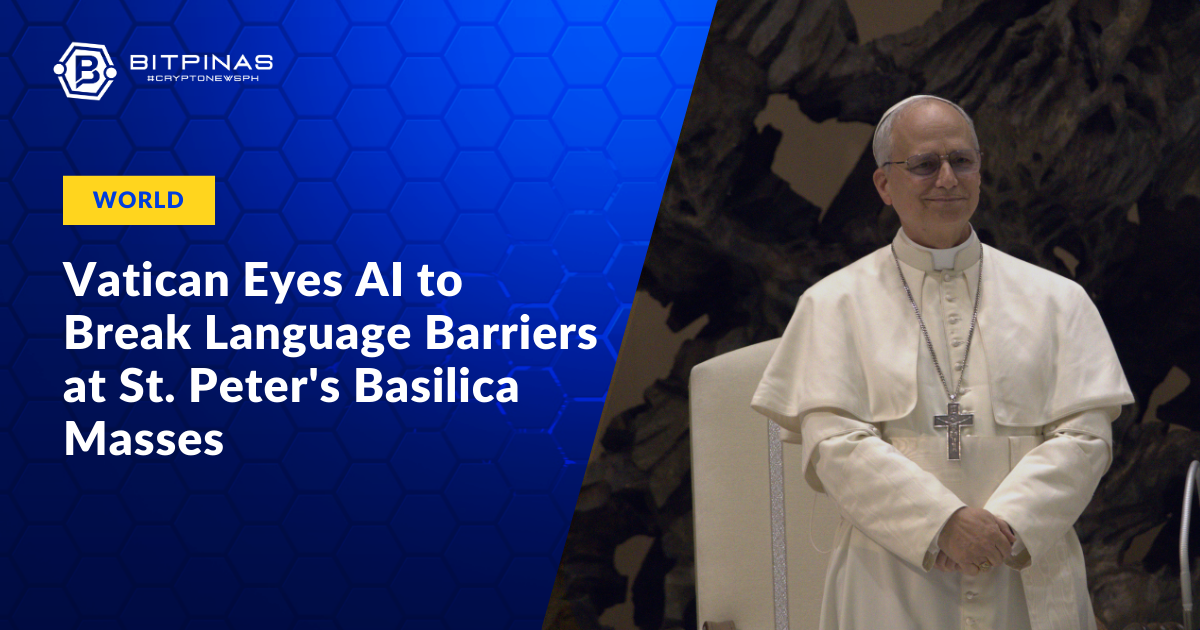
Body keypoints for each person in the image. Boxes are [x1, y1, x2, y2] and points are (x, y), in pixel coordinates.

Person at [749, 95, 1134, 630]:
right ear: (884, 184)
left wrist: (1006, 525)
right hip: (891, 584)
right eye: (925, 164)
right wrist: (943, 523)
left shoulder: (1057, 300)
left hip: (1023, 569)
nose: (947, 179)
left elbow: (1086, 436)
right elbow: (834, 444)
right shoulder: (833, 304)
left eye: (962, 161)